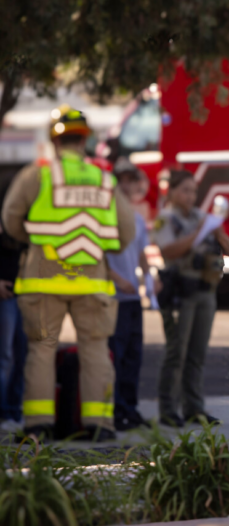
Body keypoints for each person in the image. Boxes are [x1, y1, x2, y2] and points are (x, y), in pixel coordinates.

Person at [1, 105, 136, 442]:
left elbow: (10, 219)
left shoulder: (39, 173)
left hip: (43, 276)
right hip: (91, 279)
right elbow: (126, 231)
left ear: (53, 139)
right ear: (85, 139)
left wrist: (31, 242)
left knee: (43, 349)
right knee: (94, 349)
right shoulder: (103, 176)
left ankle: (38, 427)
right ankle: (100, 426)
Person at [153, 170, 229, 427]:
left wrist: (218, 232)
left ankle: (194, 408)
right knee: (177, 352)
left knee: (197, 353)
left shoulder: (203, 217)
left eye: (193, 191)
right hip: (179, 292)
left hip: (205, 291)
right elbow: (167, 250)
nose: (190, 196)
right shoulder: (166, 220)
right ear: (172, 191)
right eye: (184, 190)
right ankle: (168, 409)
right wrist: (198, 233)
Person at [107, 157, 157, 431]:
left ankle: (130, 408)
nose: (127, 186)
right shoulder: (106, 216)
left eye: (131, 180)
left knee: (133, 356)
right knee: (115, 353)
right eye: (121, 180)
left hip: (133, 298)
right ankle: (116, 410)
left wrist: (149, 281)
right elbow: (99, 258)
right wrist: (117, 279)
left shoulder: (136, 218)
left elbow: (140, 253)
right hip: (115, 296)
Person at [0, 173, 28, 429]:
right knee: (6, 355)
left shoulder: (26, 221)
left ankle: (15, 409)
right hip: (7, 296)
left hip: (26, 294)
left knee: (23, 354)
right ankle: (4, 411)